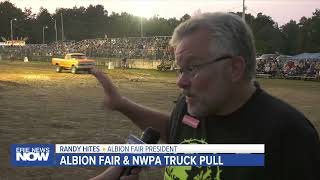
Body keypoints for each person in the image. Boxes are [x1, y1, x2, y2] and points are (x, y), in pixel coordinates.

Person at [90, 12, 320, 180]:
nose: (181, 81)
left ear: (234, 69)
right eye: (181, 69)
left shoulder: (288, 136)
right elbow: (177, 131)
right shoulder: (193, 103)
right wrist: (122, 104)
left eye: (192, 68)